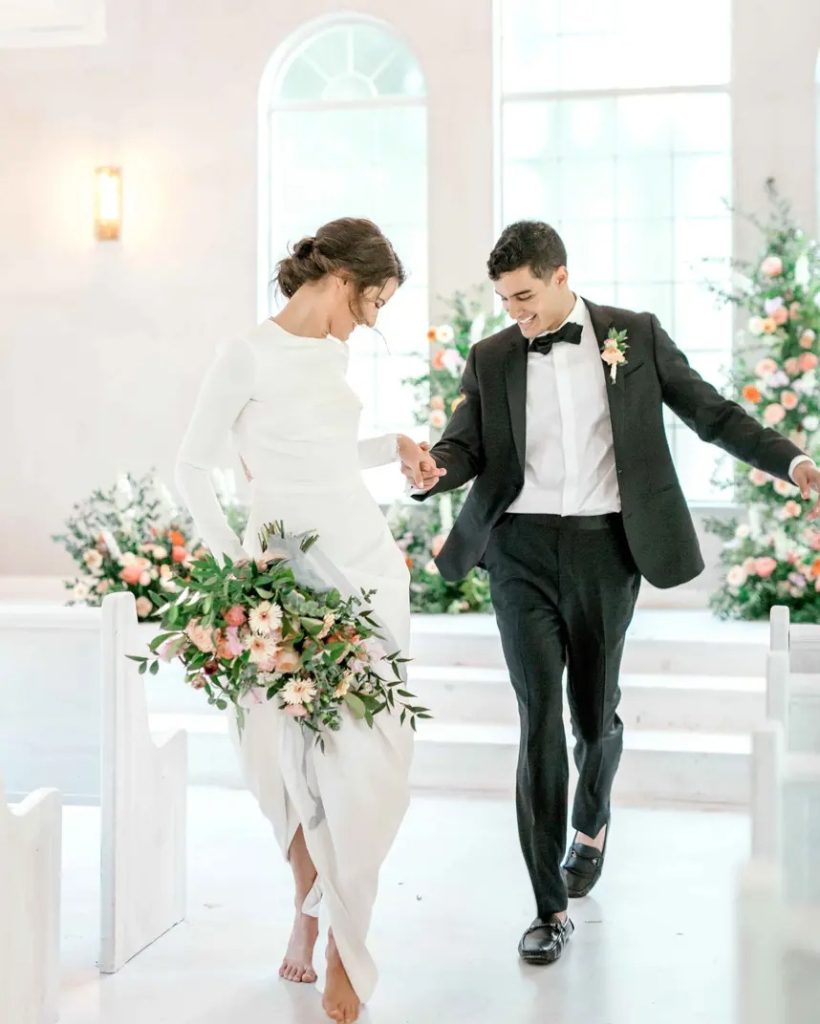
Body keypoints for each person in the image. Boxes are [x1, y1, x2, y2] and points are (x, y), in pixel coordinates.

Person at [406, 219, 820, 965]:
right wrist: (435, 468)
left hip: (606, 549)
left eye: (525, 297)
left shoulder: (635, 335)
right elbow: (464, 445)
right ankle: (548, 907)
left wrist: (792, 463)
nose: (515, 314)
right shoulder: (492, 356)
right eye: (505, 301)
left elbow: (713, 414)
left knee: (593, 718)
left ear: (561, 276)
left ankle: (590, 823)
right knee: (538, 718)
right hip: (519, 552)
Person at [175, 217, 443, 1024]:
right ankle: (308, 905)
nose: (373, 319)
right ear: (341, 279)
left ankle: (345, 944)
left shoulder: (333, 353)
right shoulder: (246, 353)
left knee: (368, 758)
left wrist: (392, 444)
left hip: (362, 564)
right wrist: (236, 562)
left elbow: (321, 455)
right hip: (280, 571)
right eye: (374, 300)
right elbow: (191, 466)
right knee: (280, 759)